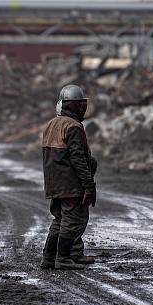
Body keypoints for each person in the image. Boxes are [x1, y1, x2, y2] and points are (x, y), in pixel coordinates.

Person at [40, 84, 97, 270]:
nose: (82, 108)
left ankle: (49, 257)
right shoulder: (73, 126)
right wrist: (88, 185)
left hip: (54, 184)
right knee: (73, 221)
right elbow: (78, 159)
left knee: (60, 220)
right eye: (79, 104)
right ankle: (63, 258)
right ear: (71, 106)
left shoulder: (51, 124)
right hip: (69, 184)